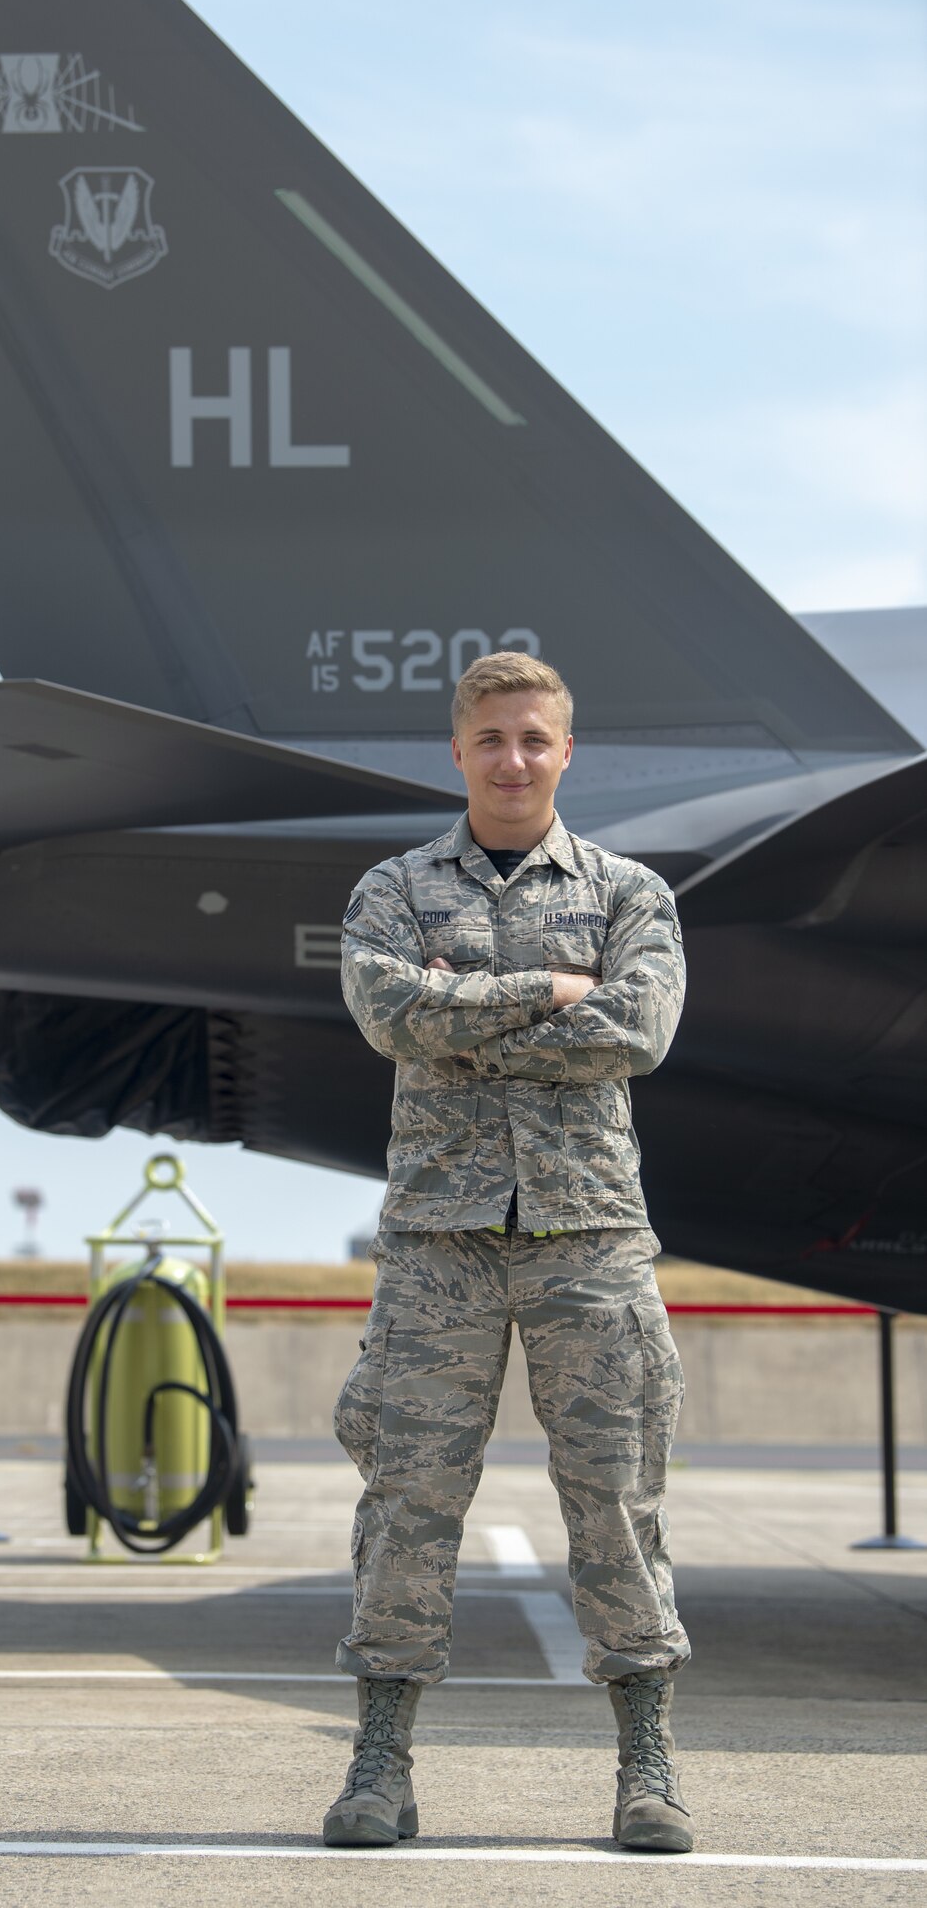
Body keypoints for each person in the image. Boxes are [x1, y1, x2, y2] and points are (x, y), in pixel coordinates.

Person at [324, 650, 693, 1855]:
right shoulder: (391, 889)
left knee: (615, 1500)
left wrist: (461, 1007)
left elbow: (633, 1027)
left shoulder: (630, 890)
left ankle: (646, 1762)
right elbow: (388, 1014)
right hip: (440, 1242)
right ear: (458, 750)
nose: (513, 758)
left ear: (565, 750)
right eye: (491, 738)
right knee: (406, 1503)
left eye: (534, 738)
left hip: (587, 1236)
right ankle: (379, 1761)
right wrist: (545, 987)